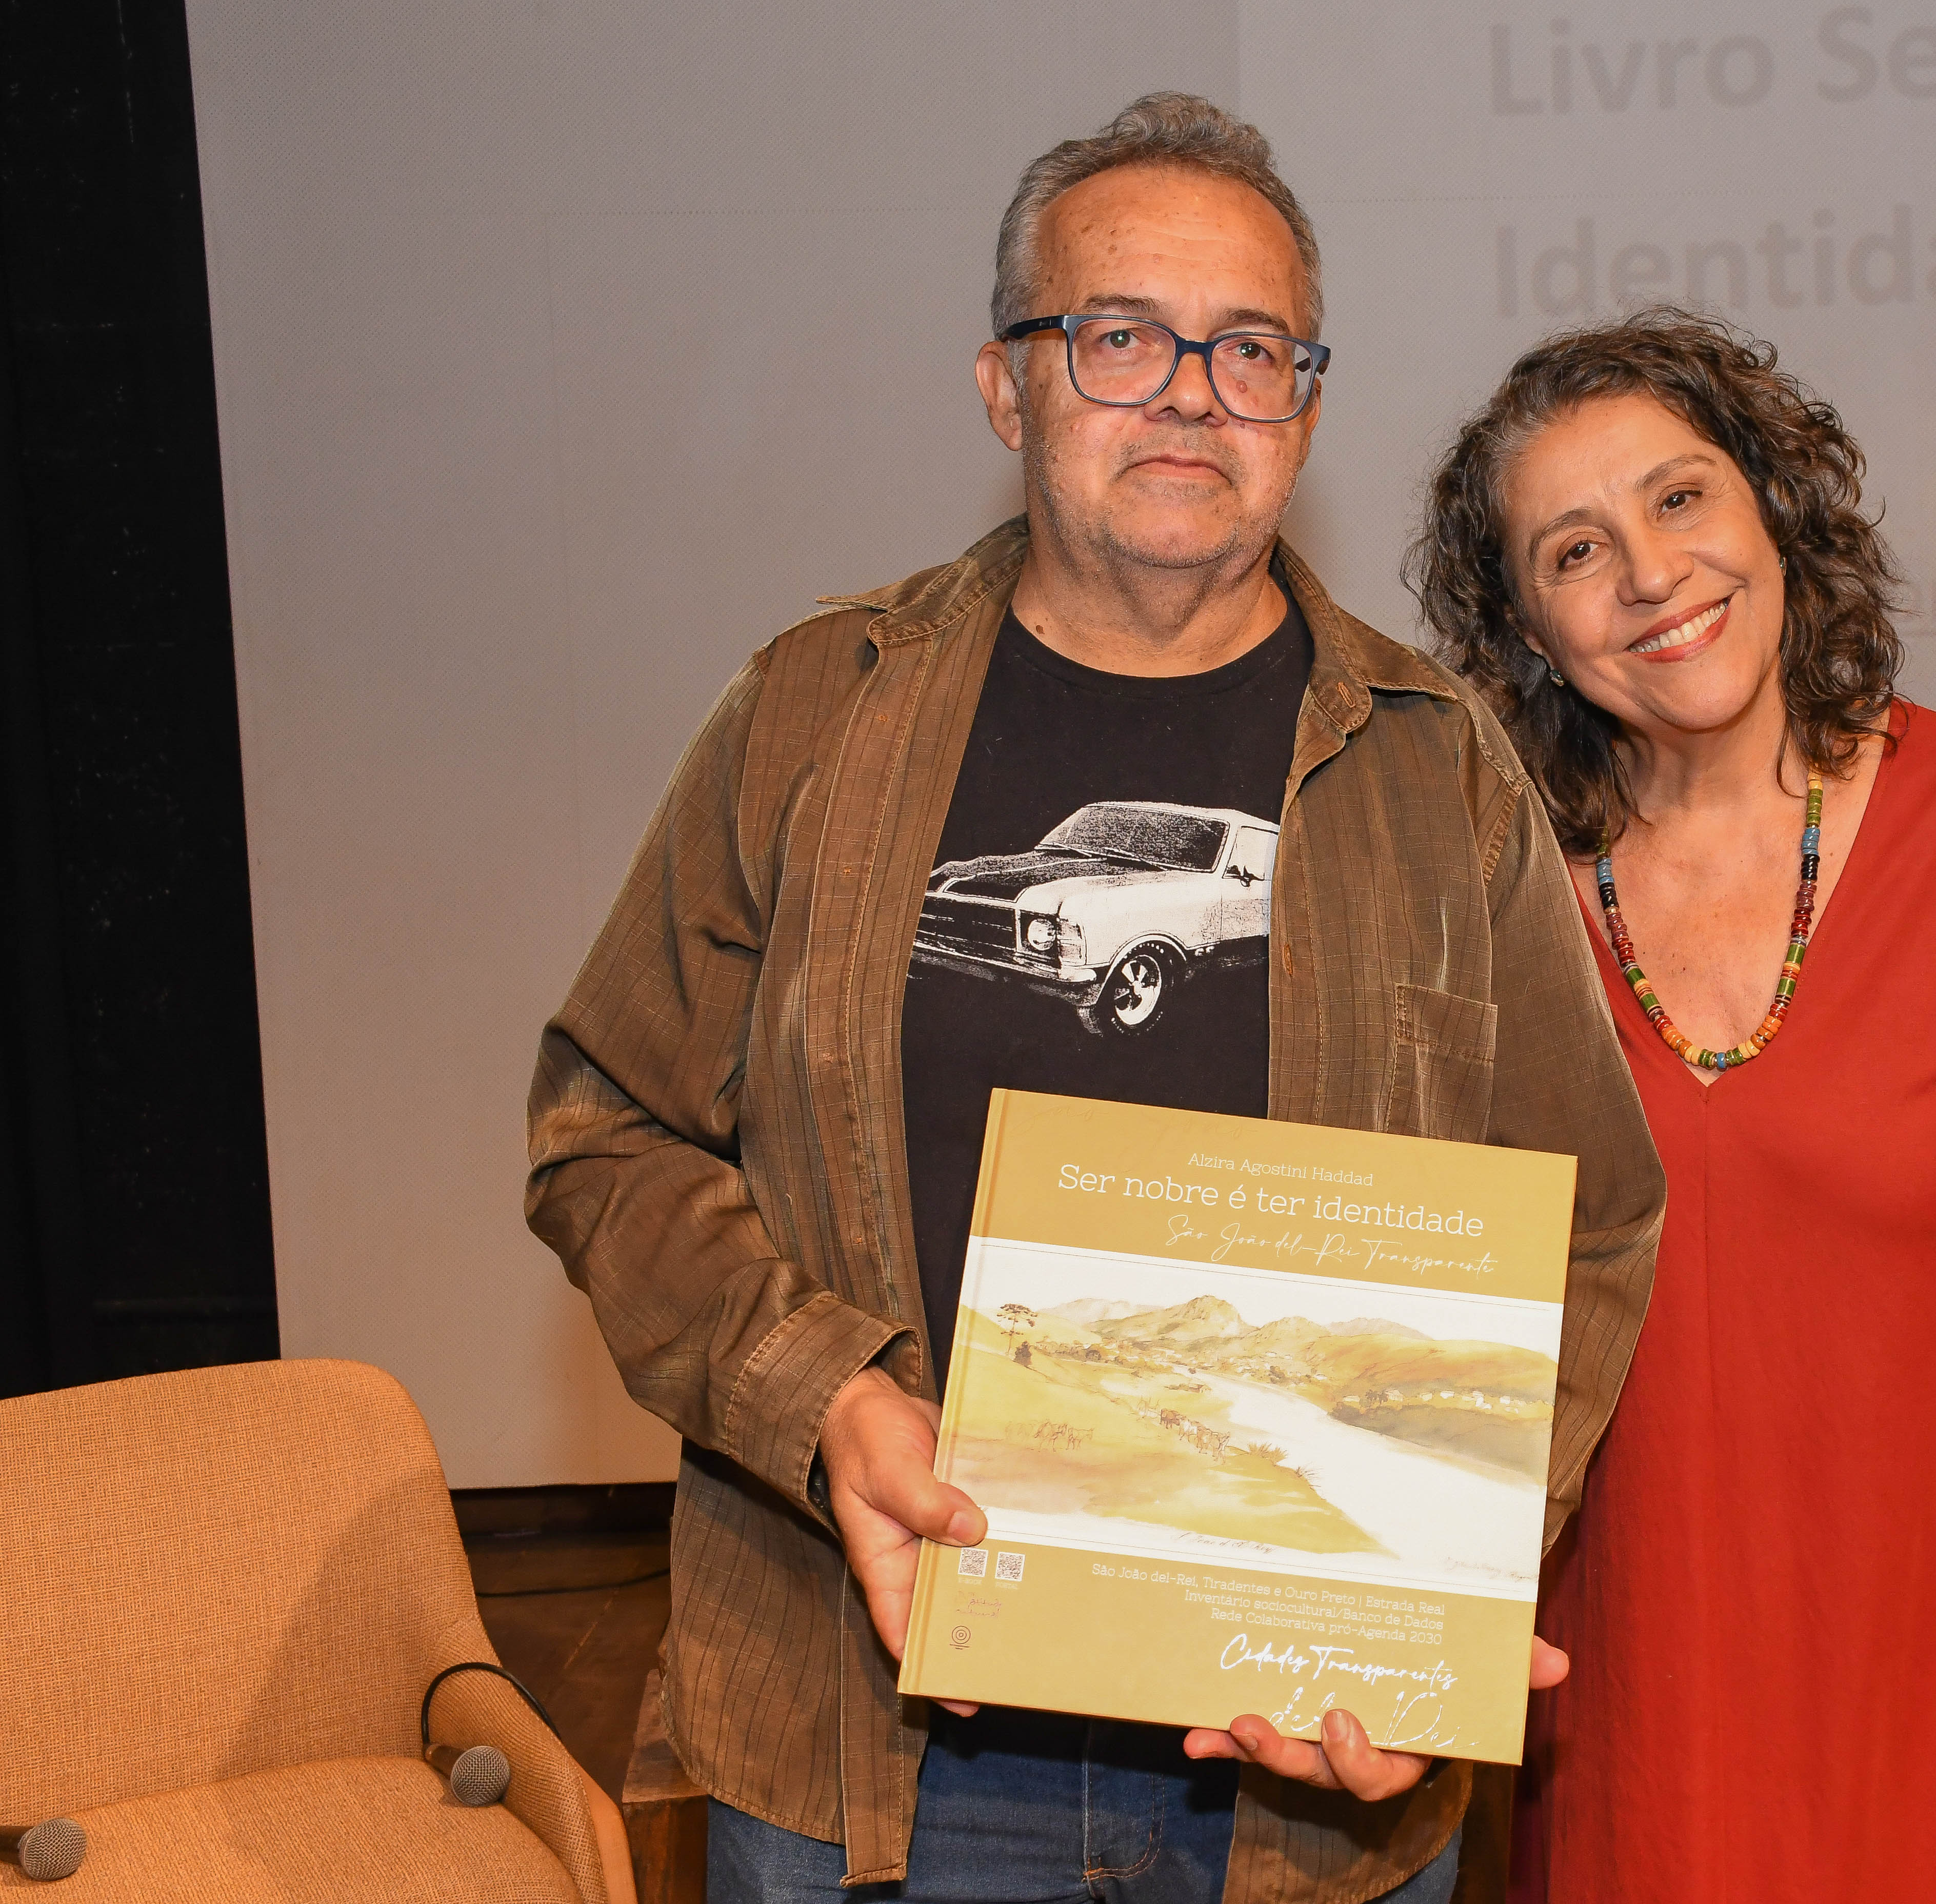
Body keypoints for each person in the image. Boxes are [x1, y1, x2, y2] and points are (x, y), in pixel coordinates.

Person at [526, 96, 1664, 1904]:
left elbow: (1589, 1215)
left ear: (1305, 408)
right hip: (869, 1748)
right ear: (1009, 386)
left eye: (1252, 350)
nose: (1193, 395)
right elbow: (606, 1131)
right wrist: (823, 1399)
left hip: (1302, 1774)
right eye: (1123, 336)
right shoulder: (817, 712)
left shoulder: (1438, 769)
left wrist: (1429, 1583)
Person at [1408, 310, 1936, 1901]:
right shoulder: (1488, 899)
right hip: (1641, 1678)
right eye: (1575, 550)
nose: (1652, 572)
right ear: (1526, 632)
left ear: (1775, 511)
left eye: (1681, 498)